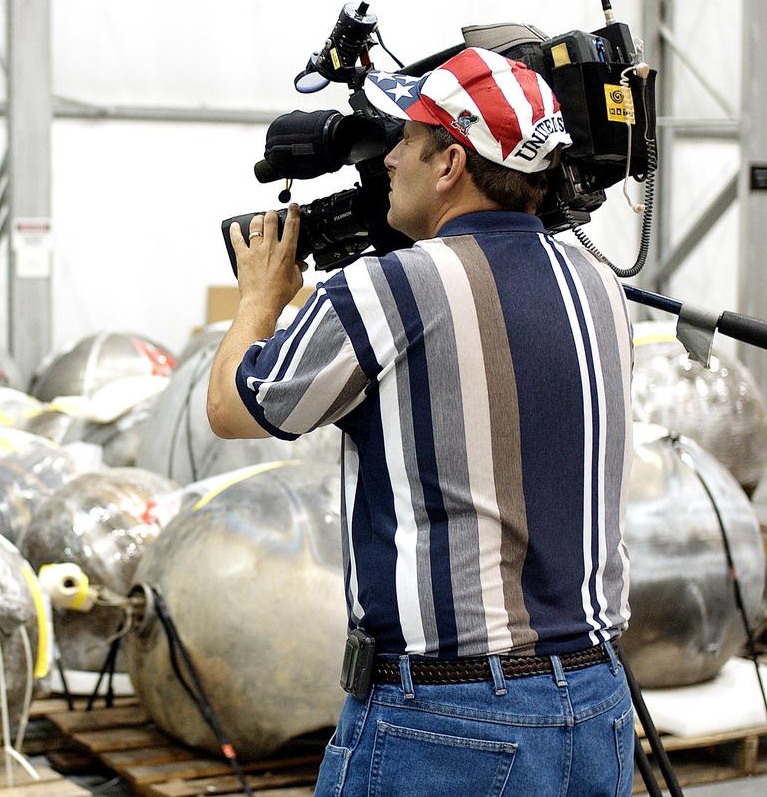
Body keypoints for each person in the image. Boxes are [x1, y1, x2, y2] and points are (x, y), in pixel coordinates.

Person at [207, 47, 635, 797]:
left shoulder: (390, 286)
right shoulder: (600, 286)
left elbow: (234, 407)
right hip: (597, 706)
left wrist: (258, 299)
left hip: (450, 719)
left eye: (407, 138)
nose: (389, 158)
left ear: (450, 165)